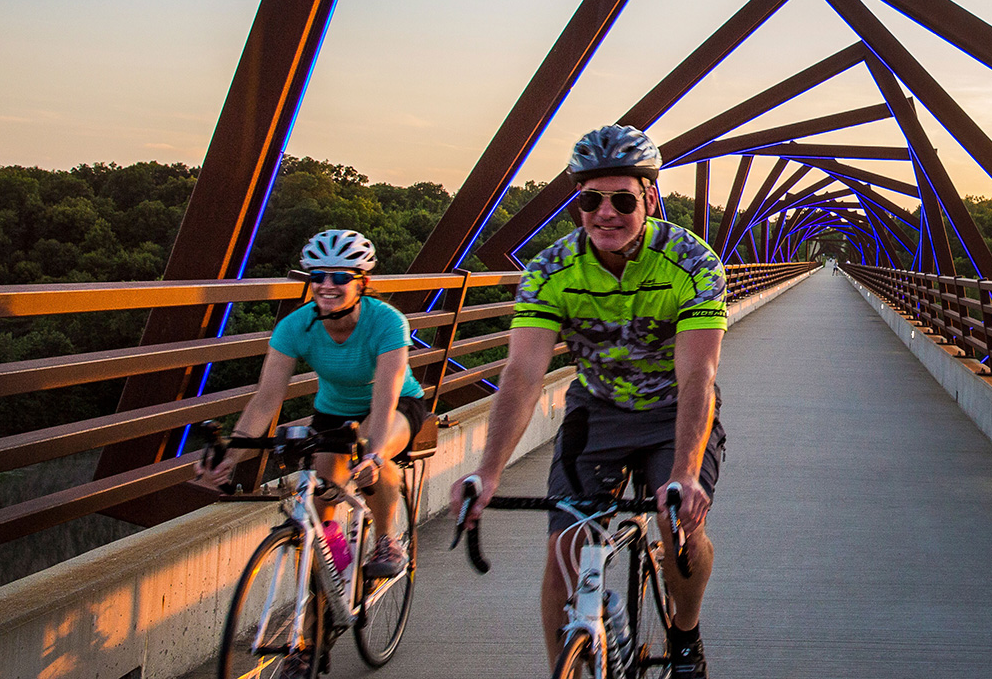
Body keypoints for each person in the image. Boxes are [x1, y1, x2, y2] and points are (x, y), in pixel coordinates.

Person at [455, 124, 727, 679]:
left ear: (649, 198)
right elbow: (524, 372)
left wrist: (684, 472)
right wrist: (487, 471)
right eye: (590, 200)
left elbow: (698, 372)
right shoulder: (549, 271)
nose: (606, 212)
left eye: (622, 199)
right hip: (597, 410)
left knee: (681, 529)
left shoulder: (692, 263)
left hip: (671, 409)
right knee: (566, 543)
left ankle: (685, 634)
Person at [199, 228, 428, 580]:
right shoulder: (295, 326)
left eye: (340, 277)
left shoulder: (387, 322)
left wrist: (374, 453)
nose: (327, 285)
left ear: (362, 282)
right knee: (322, 499)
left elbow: (386, 395)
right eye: (318, 276)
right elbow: (266, 399)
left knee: (368, 453)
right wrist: (231, 455)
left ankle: (386, 538)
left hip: (397, 405)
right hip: (334, 412)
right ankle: (333, 585)